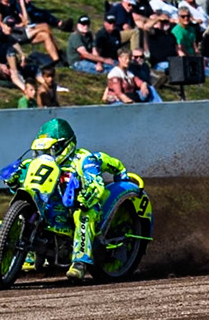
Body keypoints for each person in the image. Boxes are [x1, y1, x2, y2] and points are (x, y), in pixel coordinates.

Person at [7, 118, 133, 280]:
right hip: (50, 207)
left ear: (65, 145)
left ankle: (80, 262)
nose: (46, 155)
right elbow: (21, 182)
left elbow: (98, 179)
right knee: (27, 211)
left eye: (51, 150)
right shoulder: (34, 164)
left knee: (84, 215)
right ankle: (25, 255)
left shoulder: (83, 160)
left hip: (78, 205)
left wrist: (90, 192)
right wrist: (14, 179)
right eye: (42, 151)